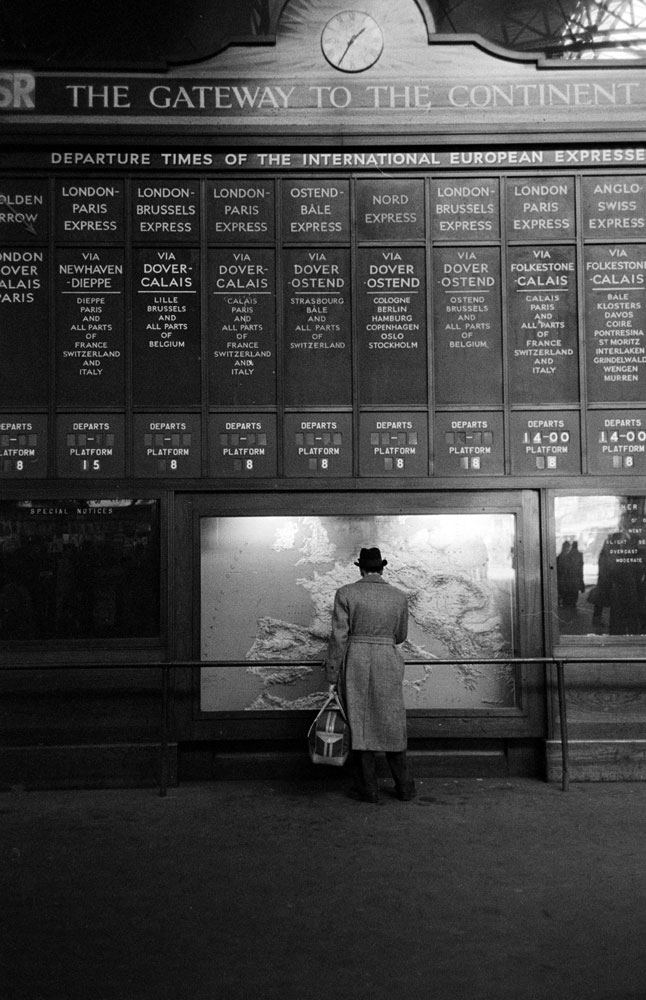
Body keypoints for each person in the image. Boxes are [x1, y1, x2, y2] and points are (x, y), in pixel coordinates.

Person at [324, 546, 415, 803]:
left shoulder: (346, 593)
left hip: (356, 661)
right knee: (392, 723)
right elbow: (401, 636)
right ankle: (405, 787)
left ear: (361, 569)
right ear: (382, 568)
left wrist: (332, 675)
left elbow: (339, 637)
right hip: (388, 659)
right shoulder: (399, 596)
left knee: (359, 722)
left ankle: (369, 789)